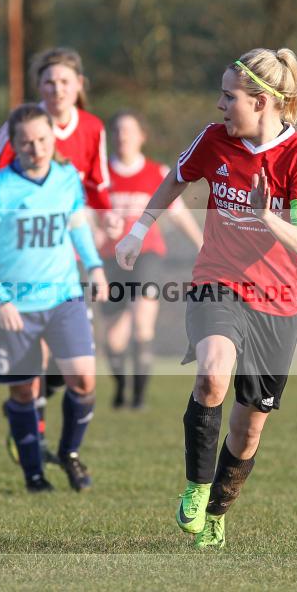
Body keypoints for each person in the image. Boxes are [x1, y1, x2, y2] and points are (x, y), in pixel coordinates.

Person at [116, 48, 297, 548]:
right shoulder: (213, 139)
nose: (220, 105)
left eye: (229, 97)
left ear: (261, 102)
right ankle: (196, 484)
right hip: (219, 280)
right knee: (212, 375)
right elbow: (175, 179)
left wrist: (266, 215)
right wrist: (139, 230)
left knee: (249, 429)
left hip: (279, 299)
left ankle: (218, 509)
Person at [0, 47, 119, 458]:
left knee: (72, 365)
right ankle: (34, 437)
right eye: (49, 82)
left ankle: (54, 440)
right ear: (39, 87)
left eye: (65, 81)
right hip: (20, 263)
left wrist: (106, 228)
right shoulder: (21, 127)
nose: (57, 89)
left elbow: (97, 186)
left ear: (79, 85)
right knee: (35, 369)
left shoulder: (92, 127)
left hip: (66, 259)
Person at [100, 110, 202, 409]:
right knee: (114, 338)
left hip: (148, 254)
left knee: (143, 324)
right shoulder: (101, 175)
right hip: (111, 258)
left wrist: (201, 242)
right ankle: (121, 389)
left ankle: (139, 399)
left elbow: (178, 213)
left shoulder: (156, 172)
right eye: (118, 130)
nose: (123, 136)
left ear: (142, 137)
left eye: (129, 130)